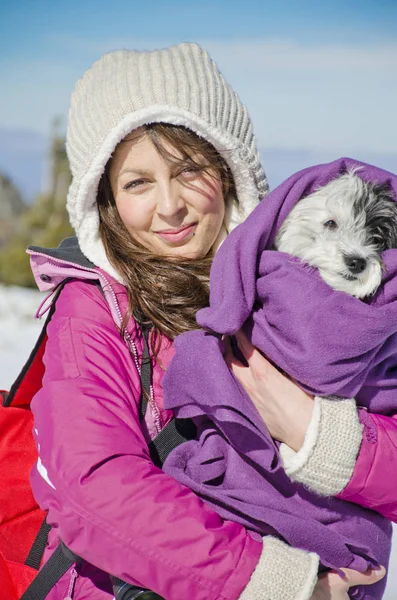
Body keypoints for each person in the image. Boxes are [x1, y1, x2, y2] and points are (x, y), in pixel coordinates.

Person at [29, 43, 387, 600]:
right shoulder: (95, 309)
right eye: (137, 183)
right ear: (106, 200)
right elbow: (94, 487)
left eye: (188, 169)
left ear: (226, 168)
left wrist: (314, 430)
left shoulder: (299, 282)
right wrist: (291, 586)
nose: (169, 206)